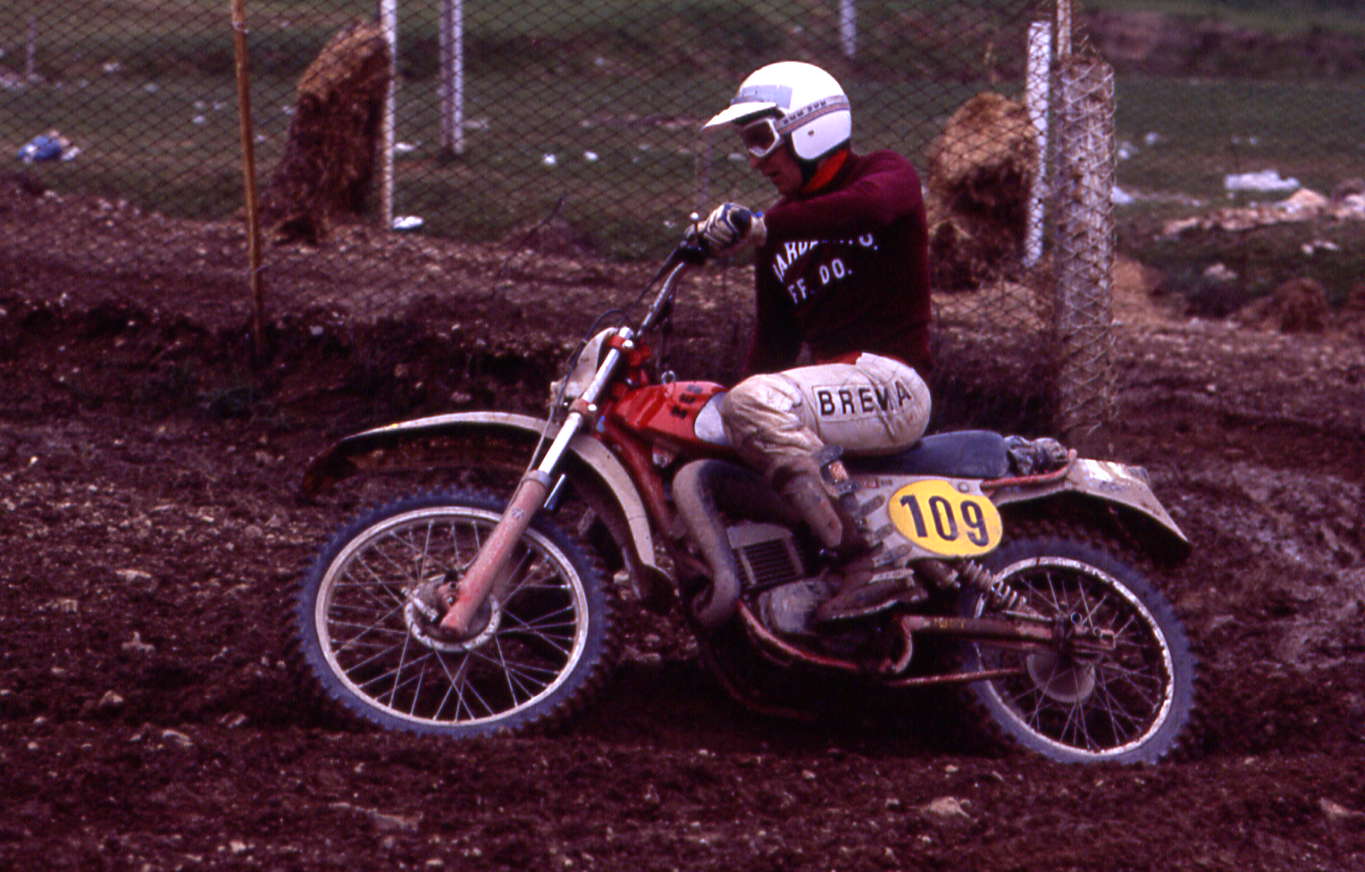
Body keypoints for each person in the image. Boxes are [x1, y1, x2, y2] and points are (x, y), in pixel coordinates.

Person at [696, 60, 933, 624]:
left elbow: (872, 206)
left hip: (893, 385)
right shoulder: (778, 232)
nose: (756, 162)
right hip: (832, 397)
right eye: (748, 145)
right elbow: (771, 350)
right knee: (723, 415)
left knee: (751, 403)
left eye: (761, 139)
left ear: (808, 128)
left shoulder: (884, 174)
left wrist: (762, 227)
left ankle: (870, 558)